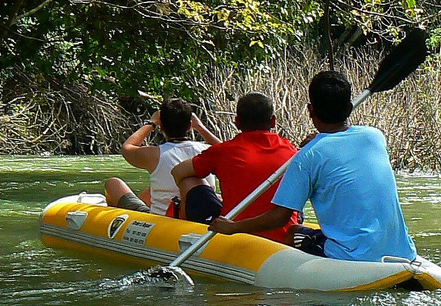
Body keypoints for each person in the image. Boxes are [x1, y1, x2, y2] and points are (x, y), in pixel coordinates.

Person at [206, 70, 418, 263]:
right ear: (349, 107)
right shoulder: (375, 136)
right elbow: (341, 144)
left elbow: (278, 218)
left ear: (310, 110)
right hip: (403, 252)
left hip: (351, 257)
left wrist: (234, 227)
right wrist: (321, 141)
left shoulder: (306, 157)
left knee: (293, 232)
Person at [168, 92, 301, 242]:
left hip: (234, 231)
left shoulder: (224, 151)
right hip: (283, 235)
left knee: (189, 181)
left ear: (237, 122)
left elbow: (177, 171)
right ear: (273, 122)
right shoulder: (292, 151)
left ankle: (185, 228)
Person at [103, 97, 215, 217]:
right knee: (151, 190)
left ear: (161, 126)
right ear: (189, 126)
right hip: (197, 216)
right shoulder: (207, 150)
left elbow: (127, 148)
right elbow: (226, 149)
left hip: (161, 221)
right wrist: (200, 127)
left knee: (113, 183)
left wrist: (151, 123)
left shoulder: (154, 154)